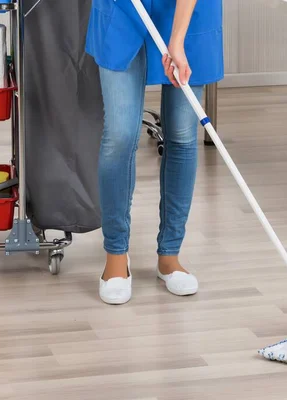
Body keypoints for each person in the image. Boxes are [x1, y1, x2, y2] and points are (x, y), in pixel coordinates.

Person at [86, 0, 224, 305]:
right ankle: (116, 256)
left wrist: (176, 40)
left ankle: (170, 256)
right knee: (120, 135)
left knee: (183, 135)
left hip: (188, 14)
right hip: (124, 10)